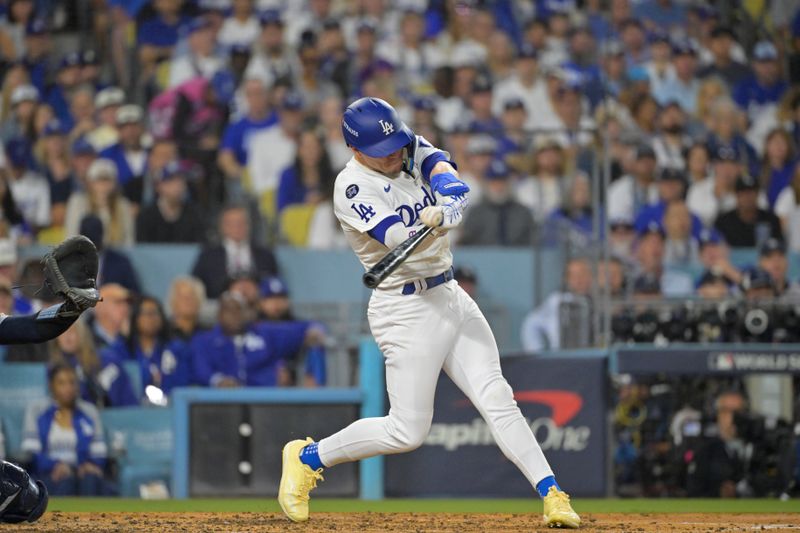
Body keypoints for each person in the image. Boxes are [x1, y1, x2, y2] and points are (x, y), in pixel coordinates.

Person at [277, 97, 580, 528]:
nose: (396, 155)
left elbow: (435, 160)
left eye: (396, 145)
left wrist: (451, 194)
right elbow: (398, 240)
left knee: (498, 397)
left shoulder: (398, 145)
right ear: (356, 150)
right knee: (407, 432)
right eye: (384, 152)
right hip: (404, 307)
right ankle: (308, 457)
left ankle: (552, 494)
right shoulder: (351, 188)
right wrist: (434, 223)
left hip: (450, 292)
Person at [190, 291, 323, 388]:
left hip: (264, 401)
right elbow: (201, 370)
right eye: (228, 311)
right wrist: (218, 381)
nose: (234, 315)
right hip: (223, 404)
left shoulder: (264, 333)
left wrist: (314, 331)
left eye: (238, 310)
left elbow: (308, 327)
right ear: (219, 315)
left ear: (246, 313)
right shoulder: (204, 341)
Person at [21, 364, 110, 496]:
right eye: (61, 383)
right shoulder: (37, 411)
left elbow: (99, 453)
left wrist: (88, 465)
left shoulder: (89, 411)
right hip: (49, 473)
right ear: (51, 386)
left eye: (72, 382)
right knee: (65, 481)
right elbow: (32, 454)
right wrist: (55, 465)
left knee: (90, 480)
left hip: (81, 472)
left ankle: (92, 517)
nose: (68, 388)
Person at [191, 203, 279, 298]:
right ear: (222, 227)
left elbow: (275, 286)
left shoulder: (265, 256)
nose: (236, 227)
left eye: (241, 222)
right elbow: (195, 286)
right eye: (231, 223)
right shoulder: (208, 256)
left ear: (248, 225)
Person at [110, 296, 190, 398]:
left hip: (170, 407)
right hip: (133, 407)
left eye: (156, 313)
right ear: (135, 317)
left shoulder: (176, 349)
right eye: (147, 313)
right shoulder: (121, 349)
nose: (152, 318)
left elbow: (183, 383)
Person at [521, 257, 593, 352]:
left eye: (582, 274)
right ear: (566, 279)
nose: (578, 280)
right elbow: (530, 324)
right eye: (573, 276)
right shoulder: (557, 301)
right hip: (564, 358)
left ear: (590, 276)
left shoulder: (600, 300)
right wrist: (536, 353)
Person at [459, 159, 536, 246]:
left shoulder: (523, 213)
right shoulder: (476, 213)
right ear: (486, 184)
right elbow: (466, 246)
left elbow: (533, 244)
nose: (499, 187)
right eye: (494, 182)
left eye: (503, 182)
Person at [135, 160, 205, 243]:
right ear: (159, 186)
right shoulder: (146, 216)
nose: (178, 185)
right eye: (172, 180)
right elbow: (142, 248)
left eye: (181, 180)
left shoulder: (195, 214)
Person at [714, 174, 783, 248]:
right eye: (743, 193)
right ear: (736, 195)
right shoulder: (723, 222)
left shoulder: (771, 220)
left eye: (751, 192)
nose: (747, 197)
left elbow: (779, 249)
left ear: (757, 194)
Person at [167, 276, 206, 341]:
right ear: (172, 302)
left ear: (199, 302)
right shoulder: (162, 333)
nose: (187, 300)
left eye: (192, 296)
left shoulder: (207, 334)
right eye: (182, 296)